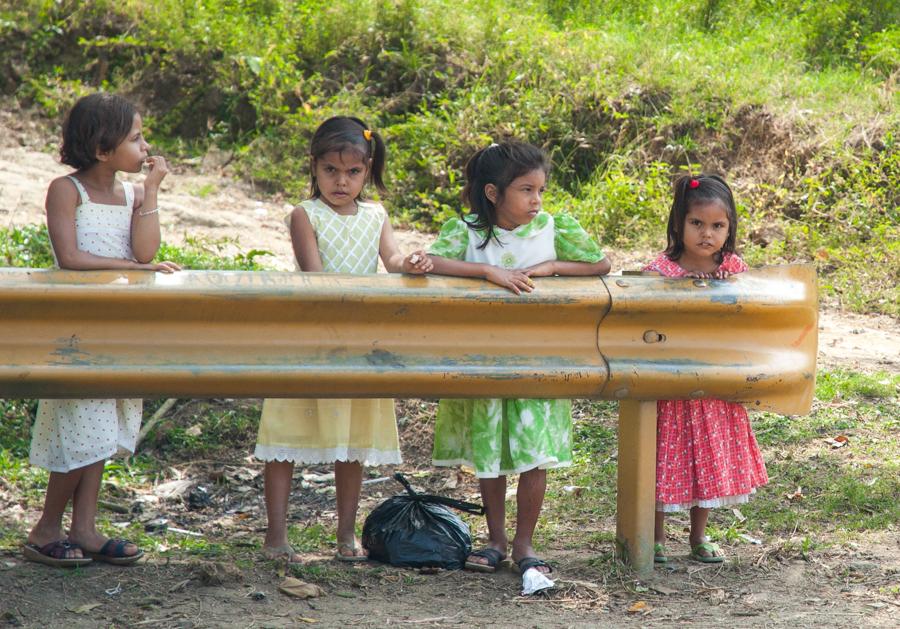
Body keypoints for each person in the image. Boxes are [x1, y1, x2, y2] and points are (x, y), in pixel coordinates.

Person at [424, 141, 611, 575]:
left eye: (540, 190)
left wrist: (551, 268)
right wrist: (489, 271)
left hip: (541, 361)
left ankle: (525, 543)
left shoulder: (553, 228)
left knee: (534, 453)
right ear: (493, 193)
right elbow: (431, 262)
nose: (536, 200)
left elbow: (600, 265)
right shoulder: (466, 232)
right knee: (490, 452)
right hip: (484, 361)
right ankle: (496, 540)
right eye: (526, 190)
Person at [255, 116, 432, 564]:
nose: (341, 181)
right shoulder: (304, 214)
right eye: (331, 170)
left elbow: (391, 260)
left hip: (360, 339)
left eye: (353, 172)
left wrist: (410, 262)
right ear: (313, 167)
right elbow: (315, 275)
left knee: (352, 440)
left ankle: (346, 535)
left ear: (368, 171)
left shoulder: (376, 215)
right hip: (310, 338)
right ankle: (276, 536)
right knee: (285, 435)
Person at [25, 93, 181, 567]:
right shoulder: (67, 191)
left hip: (119, 331)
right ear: (101, 148)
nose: (145, 146)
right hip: (78, 331)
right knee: (79, 426)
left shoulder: (131, 194)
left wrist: (150, 192)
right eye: (135, 138)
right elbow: (71, 258)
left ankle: (85, 529)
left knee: (102, 429)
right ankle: (45, 528)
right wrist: (133, 268)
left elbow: (145, 251)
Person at [645, 174, 768, 564]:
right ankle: (655, 537)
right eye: (697, 224)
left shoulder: (733, 269)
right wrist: (682, 294)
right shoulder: (659, 272)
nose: (706, 234)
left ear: (729, 229)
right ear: (678, 223)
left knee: (710, 461)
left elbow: (747, 317)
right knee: (664, 461)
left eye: (717, 226)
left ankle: (699, 536)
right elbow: (647, 328)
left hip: (716, 383)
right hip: (671, 384)